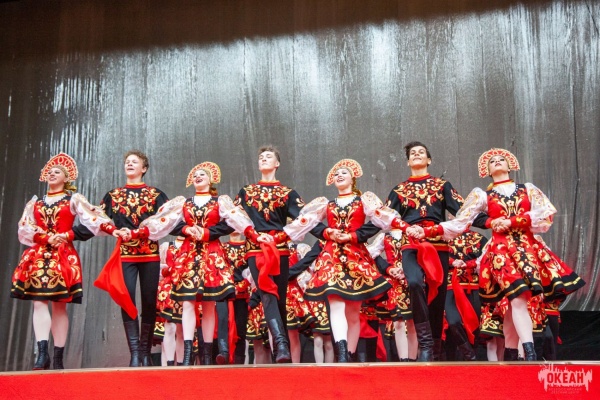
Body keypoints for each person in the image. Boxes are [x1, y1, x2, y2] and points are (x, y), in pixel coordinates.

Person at [439, 147, 585, 360]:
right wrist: (489, 222)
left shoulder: (527, 189)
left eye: (501, 159)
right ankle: (529, 352)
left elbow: (545, 214)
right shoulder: (483, 195)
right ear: (487, 171)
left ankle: (511, 354)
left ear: (510, 166)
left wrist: (511, 221)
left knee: (515, 302)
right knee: (517, 298)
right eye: (492, 161)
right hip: (501, 251)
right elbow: (463, 219)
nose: (497, 161)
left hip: (527, 249)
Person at [362, 141, 488, 361]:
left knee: (438, 298)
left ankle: (435, 349)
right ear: (408, 162)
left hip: (438, 244)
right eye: (413, 153)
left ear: (429, 159)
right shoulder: (399, 190)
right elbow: (383, 218)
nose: (417, 155)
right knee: (413, 282)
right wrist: (356, 235)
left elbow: (463, 211)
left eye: (421, 152)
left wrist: (492, 221)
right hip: (410, 244)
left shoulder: (442, 185)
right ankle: (426, 343)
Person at [140, 161, 251, 365]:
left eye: (203, 174)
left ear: (211, 180)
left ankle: (207, 355)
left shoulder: (220, 202)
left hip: (211, 253)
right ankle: (188, 354)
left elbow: (231, 224)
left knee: (209, 304)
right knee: (188, 303)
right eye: (196, 175)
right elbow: (168, 224)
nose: (198, 177)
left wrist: (208, 232)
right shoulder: (184, 203)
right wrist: (186, 229)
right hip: (189, 255)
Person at [11, 153, 110, 370]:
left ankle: (58, 357)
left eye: (57, 172)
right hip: (39, 255)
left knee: (59, 305)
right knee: (38, 302)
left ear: (66, 178)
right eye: (50, 171)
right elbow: (24, 228)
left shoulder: (73, 200)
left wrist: (67, 235)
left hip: (63, 255)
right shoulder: (35, 202)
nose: (52, 174)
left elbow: (95, 221)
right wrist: (45, 237)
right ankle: (42, 354)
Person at [285, 159, 391, 362]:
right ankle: (341, 354)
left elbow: (379, 221)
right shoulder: (326, 204)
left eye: (344, 172)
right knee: (336, 305)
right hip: (331, 256)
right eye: (336, 173)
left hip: (355, 256)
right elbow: (308, 222)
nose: (339, 175)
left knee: (353, 312)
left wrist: (353, 236)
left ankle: (349, 354)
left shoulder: (363, 201)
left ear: (353, 178)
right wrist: (327, 232)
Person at [75, 150, 170, 367]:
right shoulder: (114, 195)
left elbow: (166, 221)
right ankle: (135, 353)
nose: (129, 164)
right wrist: (72, 234)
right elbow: (97, 220)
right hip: (126, 254)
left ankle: (145, 353)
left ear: (144, 168)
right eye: (127, 161)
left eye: (134, 162)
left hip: (150, 254)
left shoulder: (155, 195)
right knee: (126, 299)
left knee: (149, 300)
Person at [234, 145, 327, 363]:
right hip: (256, 249)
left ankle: (281, 351)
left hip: (280, 249)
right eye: (261, 157)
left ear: (277, 164)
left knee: (280, 298)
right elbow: (235, 217)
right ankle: (281, 343)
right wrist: (253, 234)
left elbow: (304, 218)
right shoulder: (246, 191)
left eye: (269, 156)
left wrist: (326, 233)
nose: (264, 159)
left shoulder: (287, 193)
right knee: (267, 293)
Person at [445, 229, 488, 361]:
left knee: (474, 323)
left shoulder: (479, 238)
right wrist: (452, 262)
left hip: (473, 285)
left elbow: (486, 258)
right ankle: (470, 355)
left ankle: (471, 358)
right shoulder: (443, 236)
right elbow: (435, 255)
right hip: (451, 285)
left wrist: (469, 264)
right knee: (453, 321)